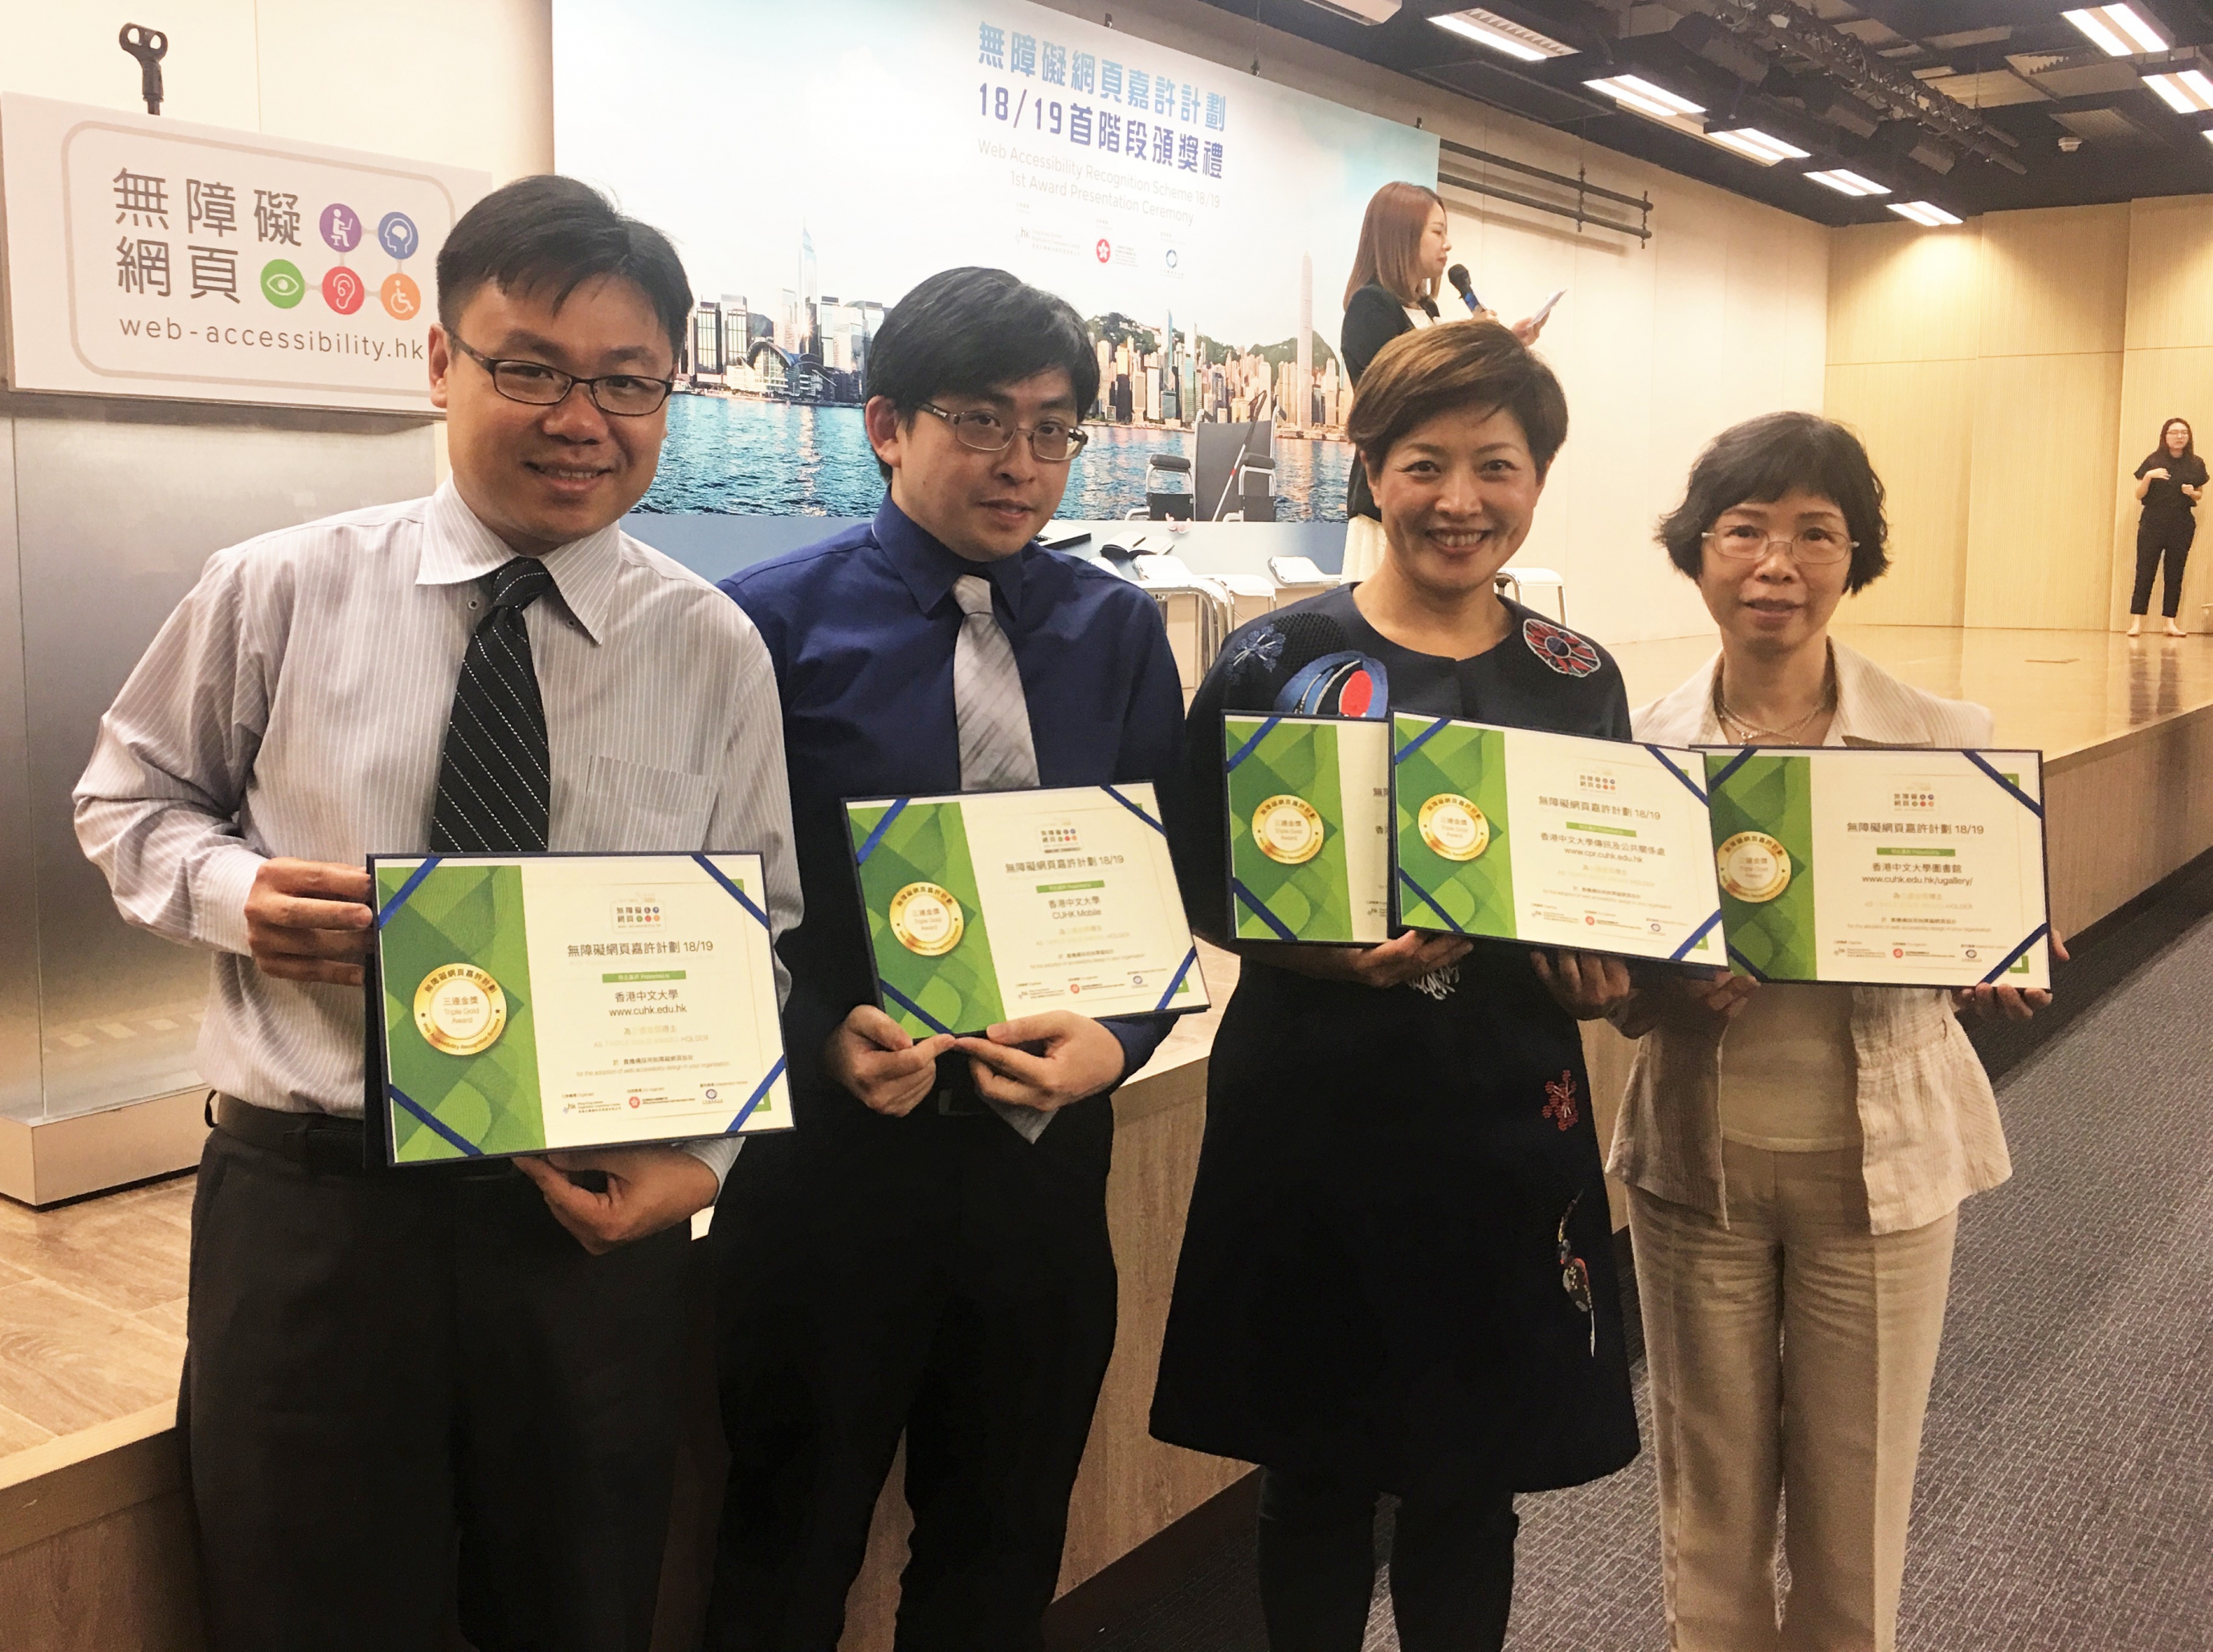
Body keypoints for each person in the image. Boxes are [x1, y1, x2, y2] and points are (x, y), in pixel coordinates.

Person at [74, 175, 801, 1652]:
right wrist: (238, 895)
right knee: (306, 1614)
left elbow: (762, 928)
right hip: (319, 1217)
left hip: (585, 1226)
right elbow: (124, 801)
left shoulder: (710, 647)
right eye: (527, 367)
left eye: (625, 382)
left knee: (579, 1611)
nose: (578, 418)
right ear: (439, 364)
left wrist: (709, 1159)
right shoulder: (277, 590)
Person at [704, 267, 1186, 1652]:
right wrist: (814, 1041)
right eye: (982, 420)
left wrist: (1123, 1042)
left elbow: (1143, 892)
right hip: (831, 1177)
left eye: (1053, 429)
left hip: (1041, 1175)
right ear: (885, 424)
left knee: (1001, 1548)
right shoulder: (764, 630)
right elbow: (719, 898)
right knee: (787, 1544)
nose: (1021, 463)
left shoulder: (1113, 633)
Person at [1150, 320, 1639, 1652]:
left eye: (1499, 464)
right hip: (1313, 1117)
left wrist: (1604, 979)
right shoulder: (1268, 665)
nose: (1461, 499)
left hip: (1503, 1124)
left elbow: (1607, 894)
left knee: (1473, 1492)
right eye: (1426, 463)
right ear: (1370, 469)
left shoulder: (1576, 681)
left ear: (1539, 478)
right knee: (1312, 1477)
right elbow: (1198, 881)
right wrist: (1315, 953)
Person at [1612, 411, 2066, 1652]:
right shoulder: (1637, 751)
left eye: (1818, 533)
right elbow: (1611, 990)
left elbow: (1976, 929)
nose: (1778, 562)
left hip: (1885, 1169)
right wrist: (1658, 978)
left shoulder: (1946, 743)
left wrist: (1999, 957)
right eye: (1746, 529)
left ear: (1855, 556)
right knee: (1706, 1503)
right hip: (1693, 1164)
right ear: (1696, 551)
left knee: (1856, 1506)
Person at [1337, 182, 1546, 580]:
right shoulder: (1372, 305)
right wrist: (1472, 341)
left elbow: (1449, 392)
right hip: (1393, 497)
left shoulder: (1425, 308)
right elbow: (1397, 395)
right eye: (1437, 232)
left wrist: (1502, 346)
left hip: (1432, 485)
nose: (1447, 245)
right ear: (1402, 236)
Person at [2127, 414, 2204, 637]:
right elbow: (2138, 494)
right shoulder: (2153, 460)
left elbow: (2199, 495)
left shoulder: (2196, 463)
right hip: (2153, 522)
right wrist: (2149, 477)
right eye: (2174, 432)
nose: (2179, 436)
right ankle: (2137, 622)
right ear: (2165, 436)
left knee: (2175, 572)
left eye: (2184, 432)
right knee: (2145, 571)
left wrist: (2193, 493)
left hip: (2181, 523)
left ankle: (2170, 622)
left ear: (2188, 437)